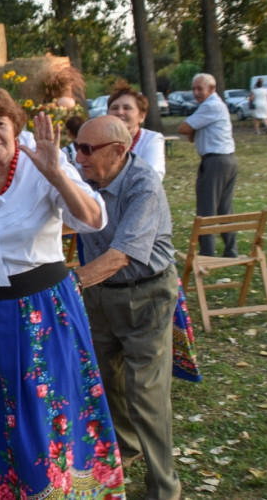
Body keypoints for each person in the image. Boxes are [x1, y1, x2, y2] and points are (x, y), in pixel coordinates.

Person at [0, 87, 125, 499]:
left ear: (15, 126)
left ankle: (69, 492)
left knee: (51, 412)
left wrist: (56, 173)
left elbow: (94, 220)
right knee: (3, 413)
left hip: (42, 307)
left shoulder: (43, 163)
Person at [75, 116, 181, 500]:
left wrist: (70, 285)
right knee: (107, 382)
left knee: (146, 395)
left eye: (87, 149)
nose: (79, 156)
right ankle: (126, 448)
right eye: (77, 147)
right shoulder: (82, 178)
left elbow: (119, 256)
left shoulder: (143, 184)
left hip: (146, 296)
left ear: (119, 151)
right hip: (101, 297)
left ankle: (164, 487)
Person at [178, 73, 238, 257]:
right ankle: (231, 250)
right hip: (228, 160)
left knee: (206, 208)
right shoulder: (214, 106)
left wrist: (193, 129)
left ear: (212, 89)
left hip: (215, 162)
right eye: (194, 88)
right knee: (224, 208)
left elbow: (183, 129)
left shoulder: (210, 106)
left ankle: (207, 253)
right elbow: (190, 135)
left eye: (200, 89)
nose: (196, 93)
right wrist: (193, 130)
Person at [107, 85, 165, 179]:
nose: (120, 112)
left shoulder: (152, 140)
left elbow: (151, 178)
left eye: (127, 108)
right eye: (114, 108)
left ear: (142, 116)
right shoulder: (100, 141)